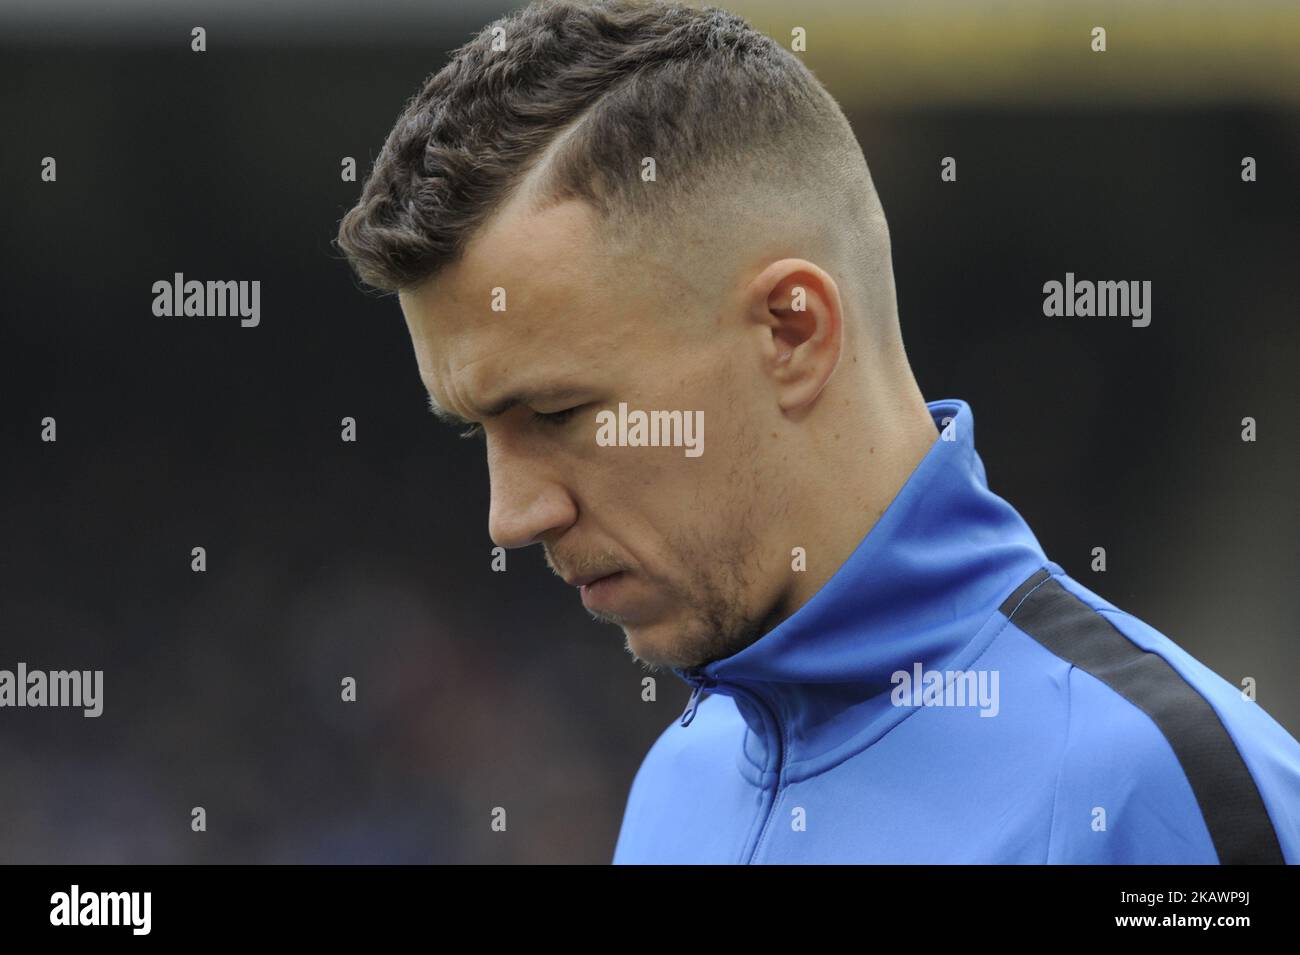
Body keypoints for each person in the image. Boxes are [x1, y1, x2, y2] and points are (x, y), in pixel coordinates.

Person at [334, 0, 1300, 863]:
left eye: (559, 413)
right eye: (477, 431)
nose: (511, 516)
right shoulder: (680, 783)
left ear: (794, 330)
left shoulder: (1162, 789)